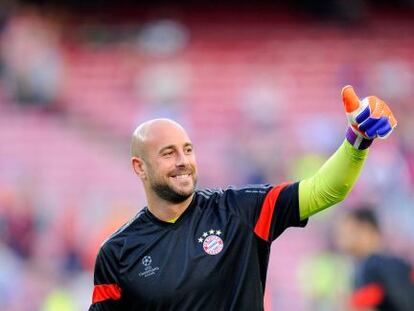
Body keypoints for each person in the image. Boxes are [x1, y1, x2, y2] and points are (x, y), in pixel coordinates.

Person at [89, 85, 397, 310]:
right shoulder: (118, 253)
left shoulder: (239, 210)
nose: (183, 160)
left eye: (187, 149)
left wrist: (357, 139)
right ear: (139, 167)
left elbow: (325, 190)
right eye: (168, 153)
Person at [335, 207, 414, 311]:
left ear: (366, 230)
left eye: (348, 231)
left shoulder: (373, 266)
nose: (341, 238)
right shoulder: (397, 263)